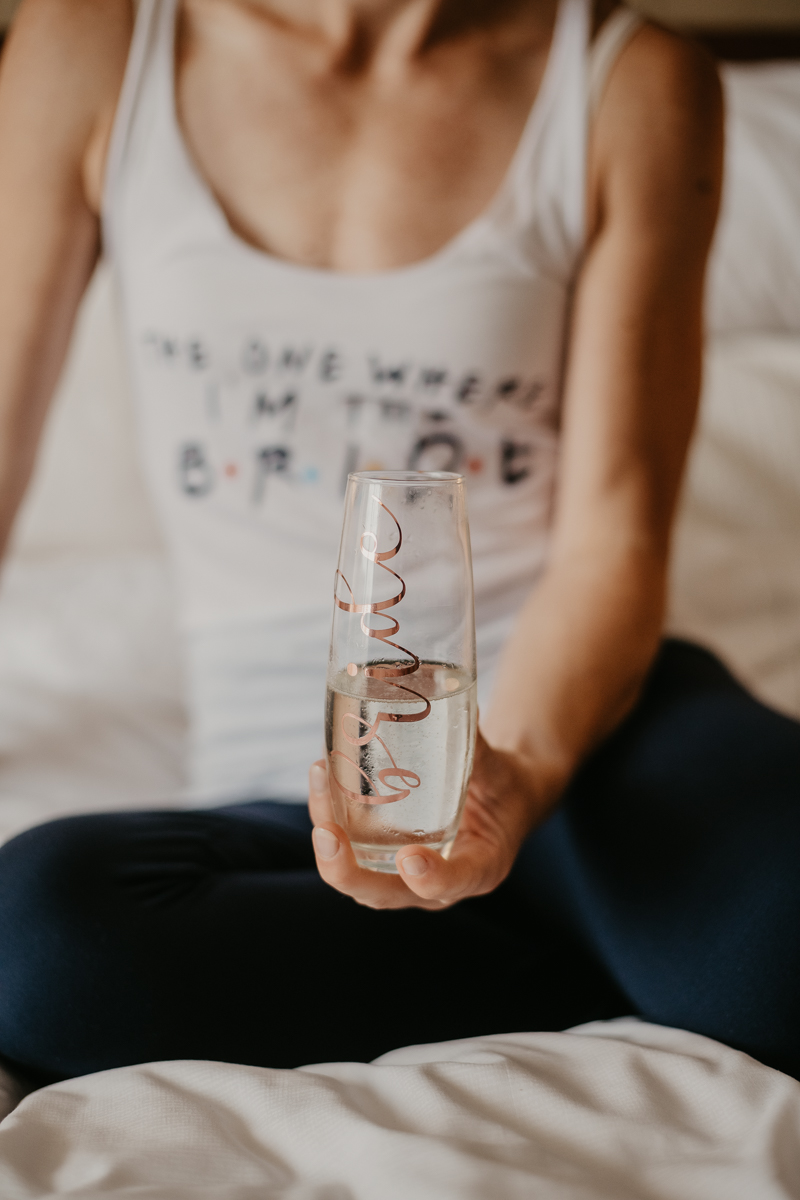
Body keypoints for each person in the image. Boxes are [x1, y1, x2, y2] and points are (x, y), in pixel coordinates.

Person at [0, 0, 797, 1089]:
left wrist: (510, 781)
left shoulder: (630, 82)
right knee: (33, 950)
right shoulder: (92, 45)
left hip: (584, 744)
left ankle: (646, 944)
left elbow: (613, 539)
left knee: (783, 955)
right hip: (287, 797)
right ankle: (612, 961)